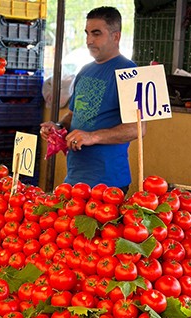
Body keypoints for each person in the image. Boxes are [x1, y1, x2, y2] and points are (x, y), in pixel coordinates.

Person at [40, 6, 145, 192]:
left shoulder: (129, 73)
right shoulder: (84, 70)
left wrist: (92, 136)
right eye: (87, 33)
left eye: (97, 34)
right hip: (75, 177)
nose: (89, 40)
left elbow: (137, 128)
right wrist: (57, 127)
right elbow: (73, 115)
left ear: (116, 36)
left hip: (109, 181)